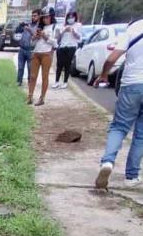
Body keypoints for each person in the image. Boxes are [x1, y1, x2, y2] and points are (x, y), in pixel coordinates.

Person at [94, 18, 143, 188]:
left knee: (119, 127)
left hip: (132, 85)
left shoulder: (134, 28)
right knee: (141, 134)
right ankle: (131, 176)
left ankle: (107, 162)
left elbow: (112, 58)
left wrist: (104, 75)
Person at [27, 8, 58, 106]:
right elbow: (32, 43)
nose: (45, 19)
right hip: (36, 52)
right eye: (43, 17)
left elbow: (56, 43)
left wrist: (46, 37)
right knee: (32, 76)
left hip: (47, 54)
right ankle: (30, 96)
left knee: (45, 76)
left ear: (51, 17)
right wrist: (35, 36)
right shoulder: (40, 27)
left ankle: (42, 98)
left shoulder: (55, 27)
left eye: (47, 17)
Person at [53, 11, 82, 89]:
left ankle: (65, 82)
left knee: (67, 65)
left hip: (71, 46)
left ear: (75, 17)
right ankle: (56, 81)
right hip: (62, 46)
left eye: (72, 17)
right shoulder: (63, 25)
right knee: (59, 65)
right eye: (69, 17)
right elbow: (58, 37)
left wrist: (73, 32)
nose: (70, 19)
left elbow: (79, 38)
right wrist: (64, 31)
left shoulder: (78, 25)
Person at [16, 9, 40, 86]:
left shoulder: (39, 27)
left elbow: (36, 37)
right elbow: (17, 31)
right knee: (20, 67)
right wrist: (20, 25)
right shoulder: (28, 24)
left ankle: (30, 82)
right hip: (22, 49)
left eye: (35, 16)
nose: (33, 17)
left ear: (39, 16)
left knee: (30, 68)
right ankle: (19, 81)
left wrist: (30, 30)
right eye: (32, 16)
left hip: (31, 50)